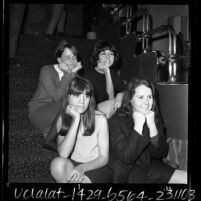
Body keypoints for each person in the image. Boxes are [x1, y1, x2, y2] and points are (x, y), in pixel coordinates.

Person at [108, 78, 187, 183]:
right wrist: (138, 127)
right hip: (126, 173)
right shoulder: (116, 121)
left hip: (148, 165)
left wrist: (152, 126)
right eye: (141, 97)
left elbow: (161, 153)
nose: (146, 102)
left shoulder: (153, 116)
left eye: (149, 97)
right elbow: (127, 157)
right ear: (131, 99)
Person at [50, 77, 111, 183]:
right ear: (68, 97)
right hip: (73, 163)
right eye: (77, 95)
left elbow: (104, 158)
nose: (82, 101)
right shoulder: (62, 119)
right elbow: (63, 154)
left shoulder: (100, 119)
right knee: (57, 164)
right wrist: (76, 120)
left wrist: (83, 168)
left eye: (86, 96)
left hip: (94, 166)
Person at [28, 40, 82, 138]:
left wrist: (73, 73)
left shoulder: (75, 74)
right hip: (40, 112)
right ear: (59, 60)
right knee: (68, 105)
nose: (72, 60)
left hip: (61, 111)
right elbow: (56, 97)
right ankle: (52, 132)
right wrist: (68, 74)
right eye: (68, 57)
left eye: (74, 57)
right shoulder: (47, 70)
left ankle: (54, 132)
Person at [84, 40, 126, 118]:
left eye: (111, 54)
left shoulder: (113, 73)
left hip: (110, 110)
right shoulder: (88, 77)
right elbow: (111, 99)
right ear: (97, 57)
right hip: (92, 113)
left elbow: (125, 90)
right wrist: (107, 72)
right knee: (112, 104)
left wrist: (120, 94)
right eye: (103, 53)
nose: (108, 57)